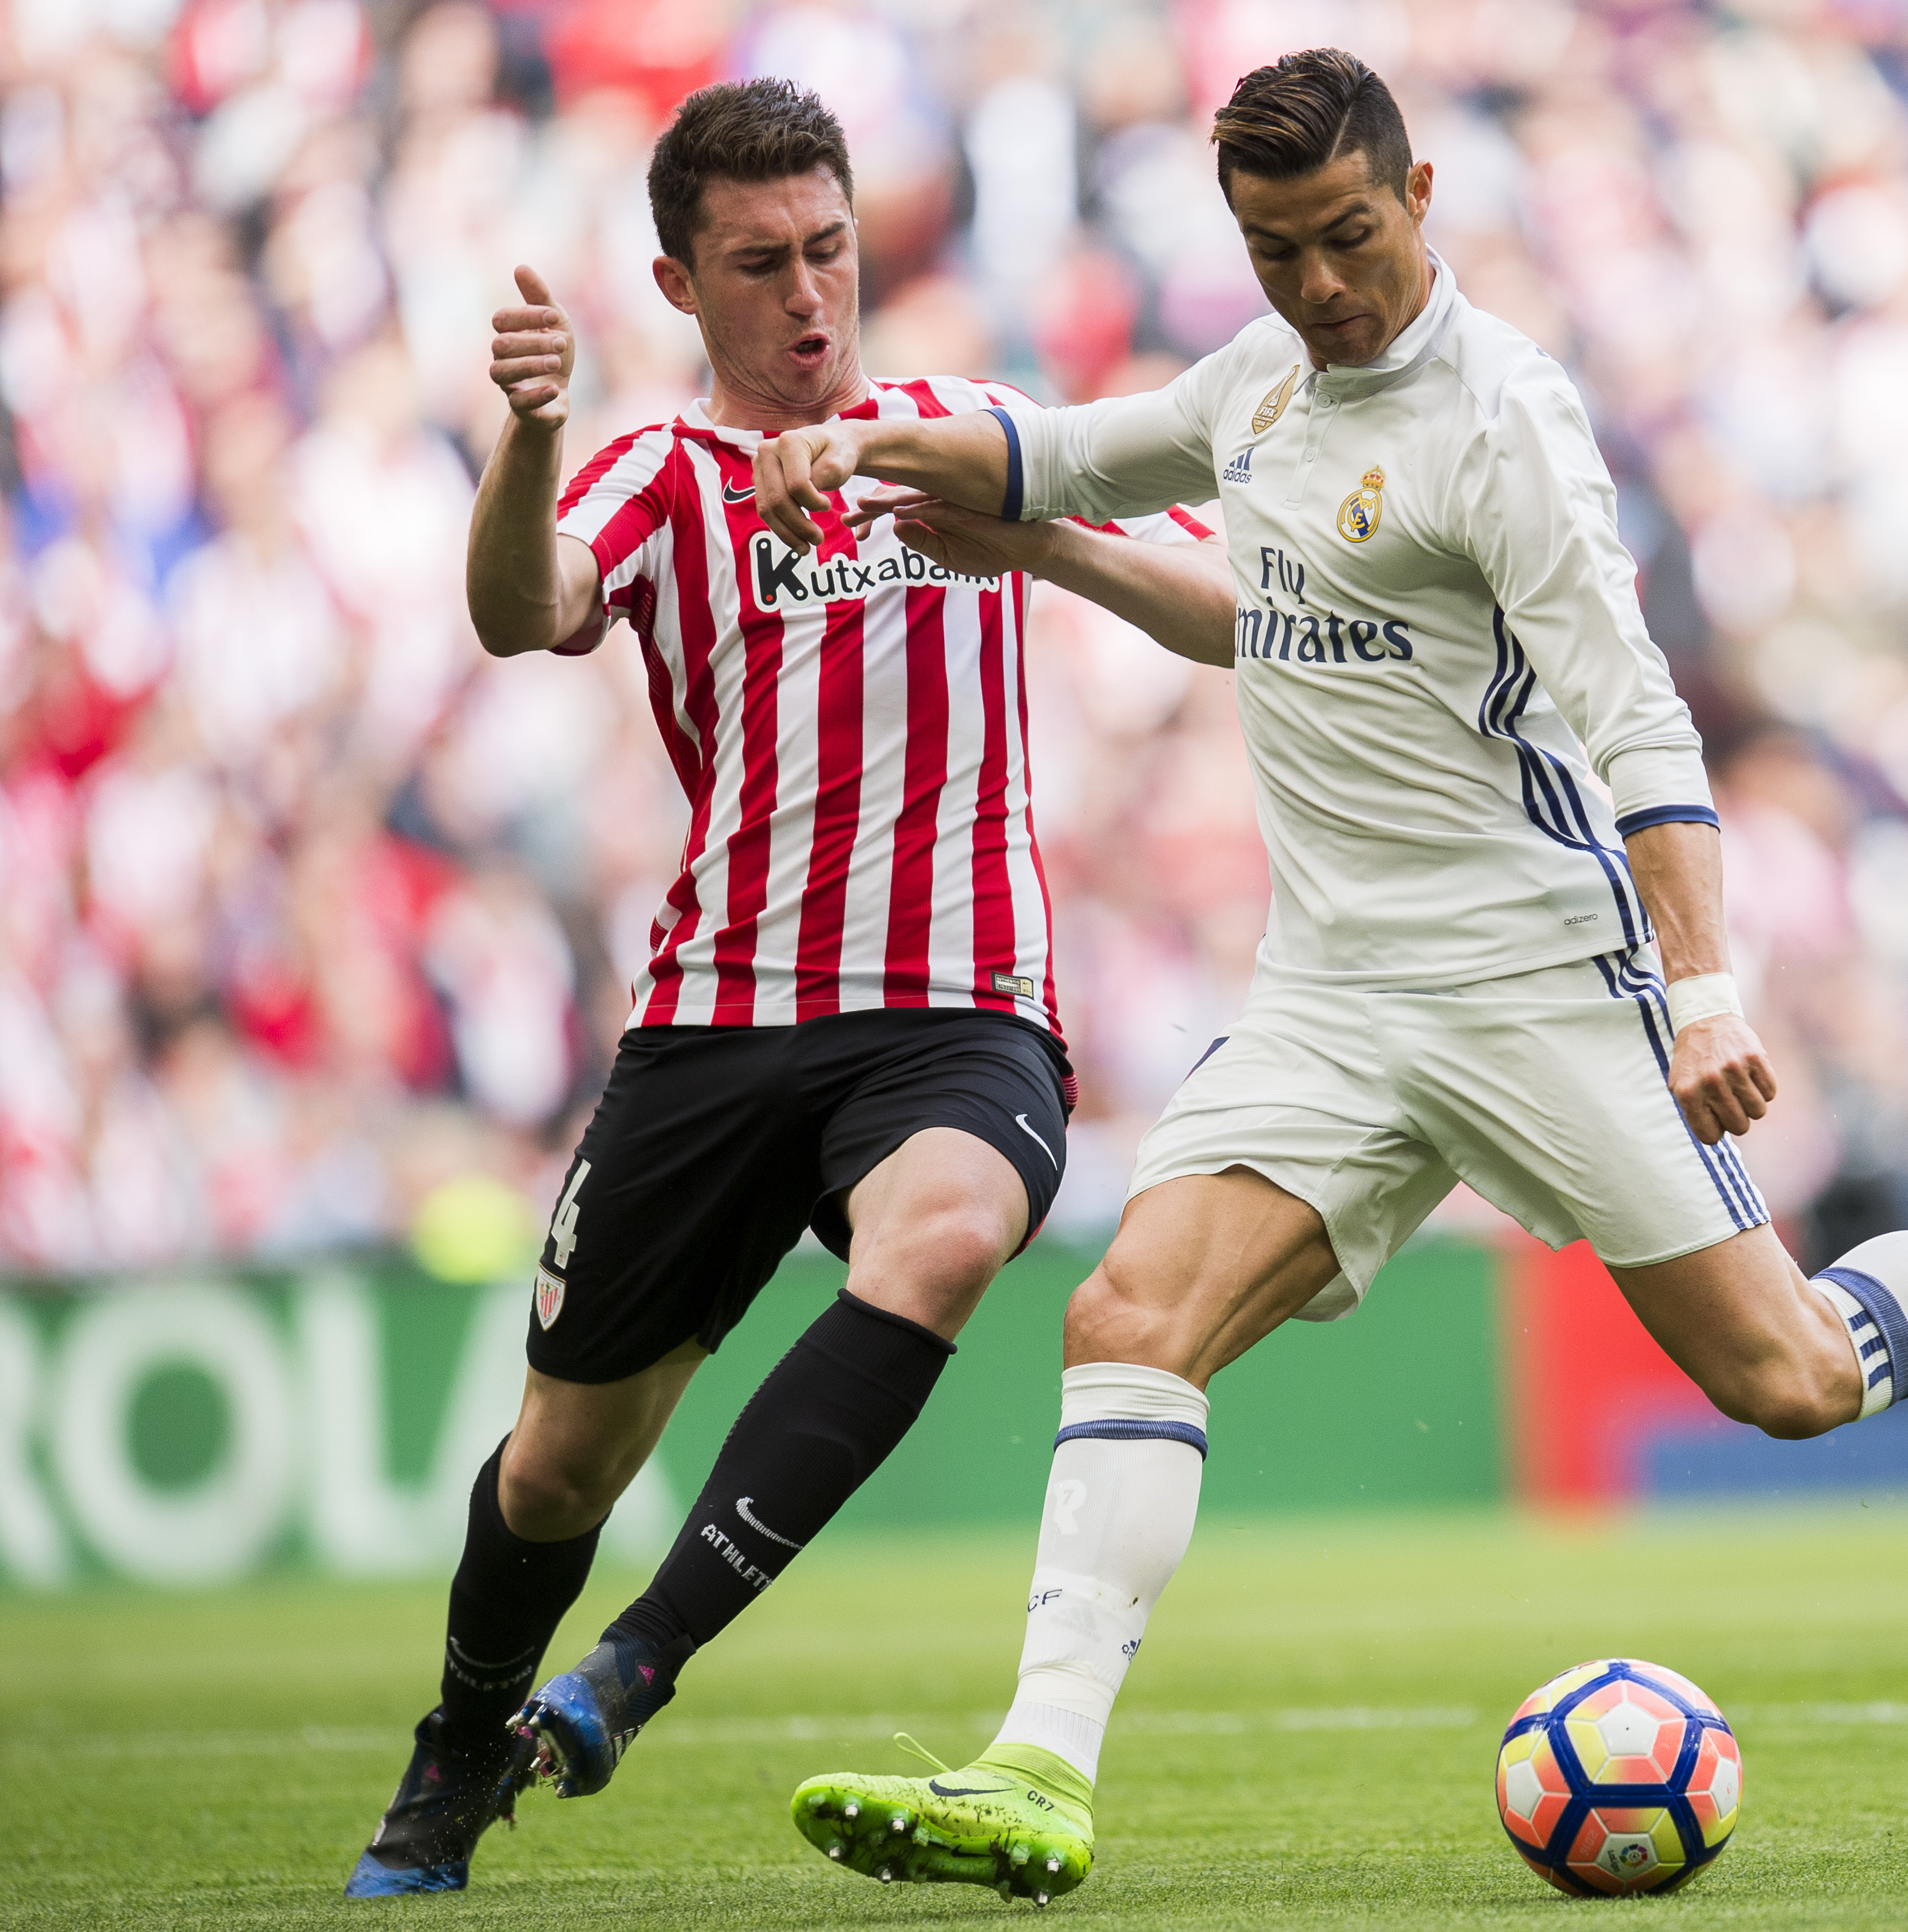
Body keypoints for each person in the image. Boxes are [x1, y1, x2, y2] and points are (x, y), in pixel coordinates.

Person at [755, 48, 1908, 1905]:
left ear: (1422, 193)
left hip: (1540, 977)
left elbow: (1636, 712)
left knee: (1795, 1377)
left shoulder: (1504, 421)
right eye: (1278, 251)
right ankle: (1036, 1772)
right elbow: (1081, 468)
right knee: (1126, 1319)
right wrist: (868, 448)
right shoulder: (1262, 384)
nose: (1322, 285)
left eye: (1349, 236)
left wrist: (1704, 990)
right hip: (1335, 994)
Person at [343, 77, 1235, 1898]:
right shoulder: (660, 476)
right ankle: (458, 1749)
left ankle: (629, 1673)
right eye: (761, 265)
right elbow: (526, 608)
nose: (809, 297)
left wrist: (1037, 533)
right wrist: (524, 435)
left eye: (829, 250)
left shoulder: (958, 432)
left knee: (955, 1237)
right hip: (717, 1022)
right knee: (550, 1480)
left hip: (958, 1006)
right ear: (683, 284)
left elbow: (1215, 604)